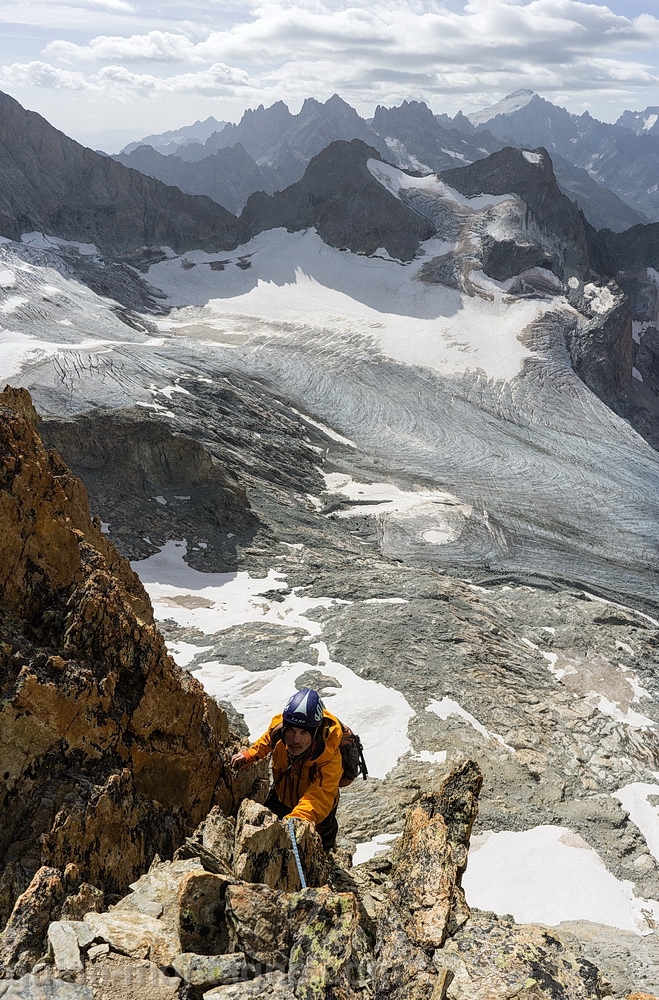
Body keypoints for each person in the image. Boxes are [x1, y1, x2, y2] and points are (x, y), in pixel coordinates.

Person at [231, 688, 343, 851]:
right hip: (281, 797)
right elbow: (268, 739)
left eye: (304, 732)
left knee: (319, 850)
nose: (295, 739)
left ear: (315, 732)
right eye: (291, 730)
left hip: (318, 813)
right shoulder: (279, 731)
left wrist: (298, 817)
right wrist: (251, 754)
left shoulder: (330, 757)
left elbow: (320, 795)